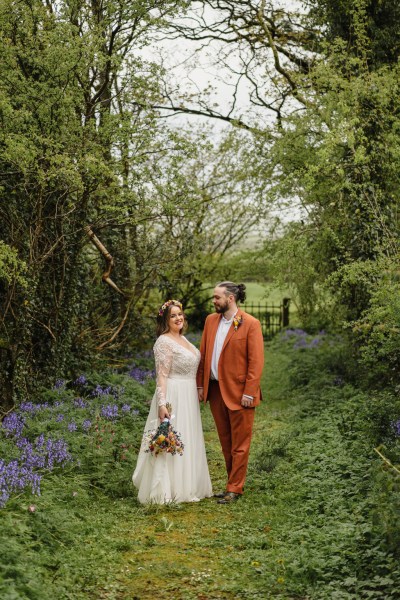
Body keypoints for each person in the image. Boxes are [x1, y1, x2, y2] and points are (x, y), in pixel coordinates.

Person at [132, 299, 213, 504]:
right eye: (173, 316)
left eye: (180, 314)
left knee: (187, 435)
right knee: (170, 437)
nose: (178, 318)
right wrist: (162, 403)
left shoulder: (184, 339)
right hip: (173, 395)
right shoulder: (164, 342)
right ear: (165, 321)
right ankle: (167, 489)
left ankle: (189, 485)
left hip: (188, 395)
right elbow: (161, 376)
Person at [197, 282, 264, 504]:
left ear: (230, 298)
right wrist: (200, 385)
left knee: (240, 444)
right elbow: (204, 356)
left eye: (217, 297)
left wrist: (250, 392)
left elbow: (256, 362)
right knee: (225, 442)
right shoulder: (210, 321)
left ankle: (235, 488)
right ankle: (230, 485)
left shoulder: (251, 324)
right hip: (216, 391)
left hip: (240, 393)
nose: (214, 301)